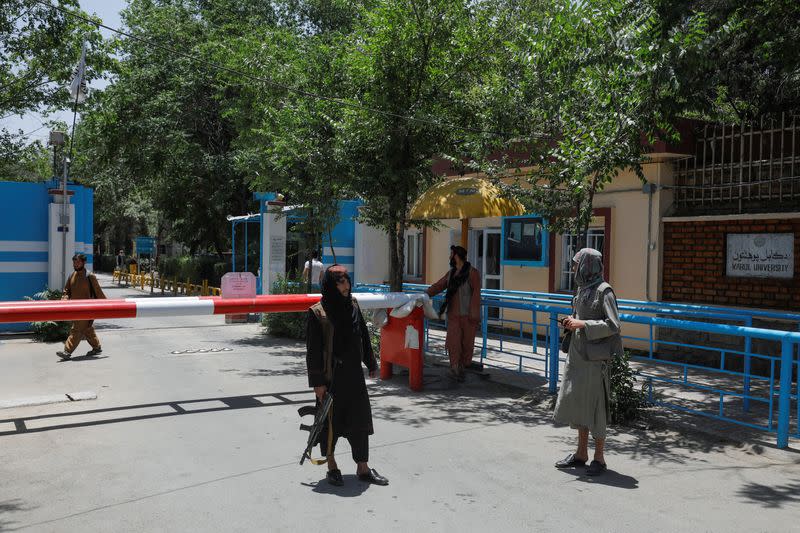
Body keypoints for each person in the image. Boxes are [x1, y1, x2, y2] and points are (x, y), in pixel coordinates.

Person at [305, 265, 389, 487]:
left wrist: (371, 362)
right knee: (329, 424)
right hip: (331, 378)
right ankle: (332, 467)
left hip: (353, 376)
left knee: (360, 421)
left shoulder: (352, 305)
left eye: (347, 280)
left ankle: (363, 468)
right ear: (331, 285)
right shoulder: (318, 312)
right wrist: (318, 384)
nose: (345, 285)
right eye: (340, 282)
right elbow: (313, 351)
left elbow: (362, 333)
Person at [553, 248, 623, 476]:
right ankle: (581, 453)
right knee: (579, 404)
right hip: (577, 355)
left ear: (587, 264)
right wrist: (570, 322)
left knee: (596, 407)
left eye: (576, 264)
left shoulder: (605, 292)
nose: (573, 268)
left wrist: (583, 325)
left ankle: (599, 458)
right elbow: (581, 318)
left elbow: (613, 326)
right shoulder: (583, 289)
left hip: (594, 359)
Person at [425, 245, 481, 382]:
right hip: (454, 316)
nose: (450, 257)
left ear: (456, 256)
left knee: (467, 344)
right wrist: (424, 295)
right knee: (453, 343)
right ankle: (455, 368)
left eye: (451, 254)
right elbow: (438, 286)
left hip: (468, 316)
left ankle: (462, 367)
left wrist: (474, 314)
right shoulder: (450, 274)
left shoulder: (473, 273)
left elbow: (476, 295)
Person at [56, 253, 107, 361]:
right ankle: (96, 347)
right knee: (87, 329)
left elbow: (98, 292)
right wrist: (64, 298)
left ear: (83, 263)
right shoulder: (71, 276)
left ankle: (67, 351)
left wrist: (106, 306)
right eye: (74, 262)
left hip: (88, 308)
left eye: (78, 262)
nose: (75, 264)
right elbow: (66, 290)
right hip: (75, 308)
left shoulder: (90, 276)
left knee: (77, 329)